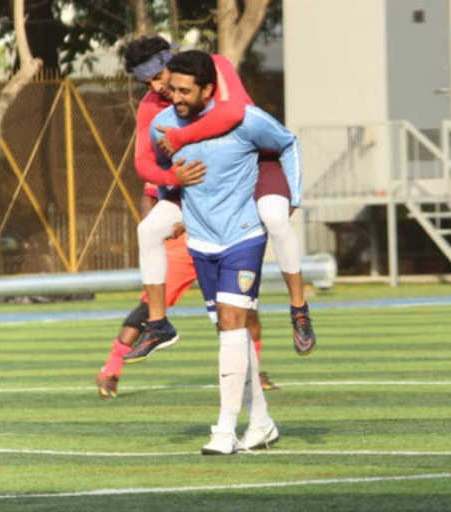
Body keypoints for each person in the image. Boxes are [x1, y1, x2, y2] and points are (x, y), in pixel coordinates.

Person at [122, 36, 316, 364]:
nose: (156, 88)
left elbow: (231, 113)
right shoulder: (151, 107)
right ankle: (158, 323)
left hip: (254, 163)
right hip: (201, 183)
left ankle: (299, 309)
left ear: (172, 61)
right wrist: (172, 180)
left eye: (158, 77)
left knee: (275, 217)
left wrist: (181, 136)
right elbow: (144, 163)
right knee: (149, 230)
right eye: (147, 83)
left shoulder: (215, 68)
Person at [149, 50, 303, 454]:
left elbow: (287, 142)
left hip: (243, 234)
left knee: (233, 323)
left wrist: (293, 197)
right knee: (228, 331)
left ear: (208, 90)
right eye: (173, 90)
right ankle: (262, 422)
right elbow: (164, 176)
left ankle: (223, 431)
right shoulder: (161, 125)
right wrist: (172, 199)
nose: (176, 97)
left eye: (185, 91)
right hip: (201, 240)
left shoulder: (244, 120)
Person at [95, 181, 278, 399]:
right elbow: (150, 194)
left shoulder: (231, 150)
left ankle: (252, 371)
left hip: (224, 238)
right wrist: (155, 231)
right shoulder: (175, 152)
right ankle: (111, 371)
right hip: (181, 244)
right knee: (152, 306)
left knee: (244, 308)